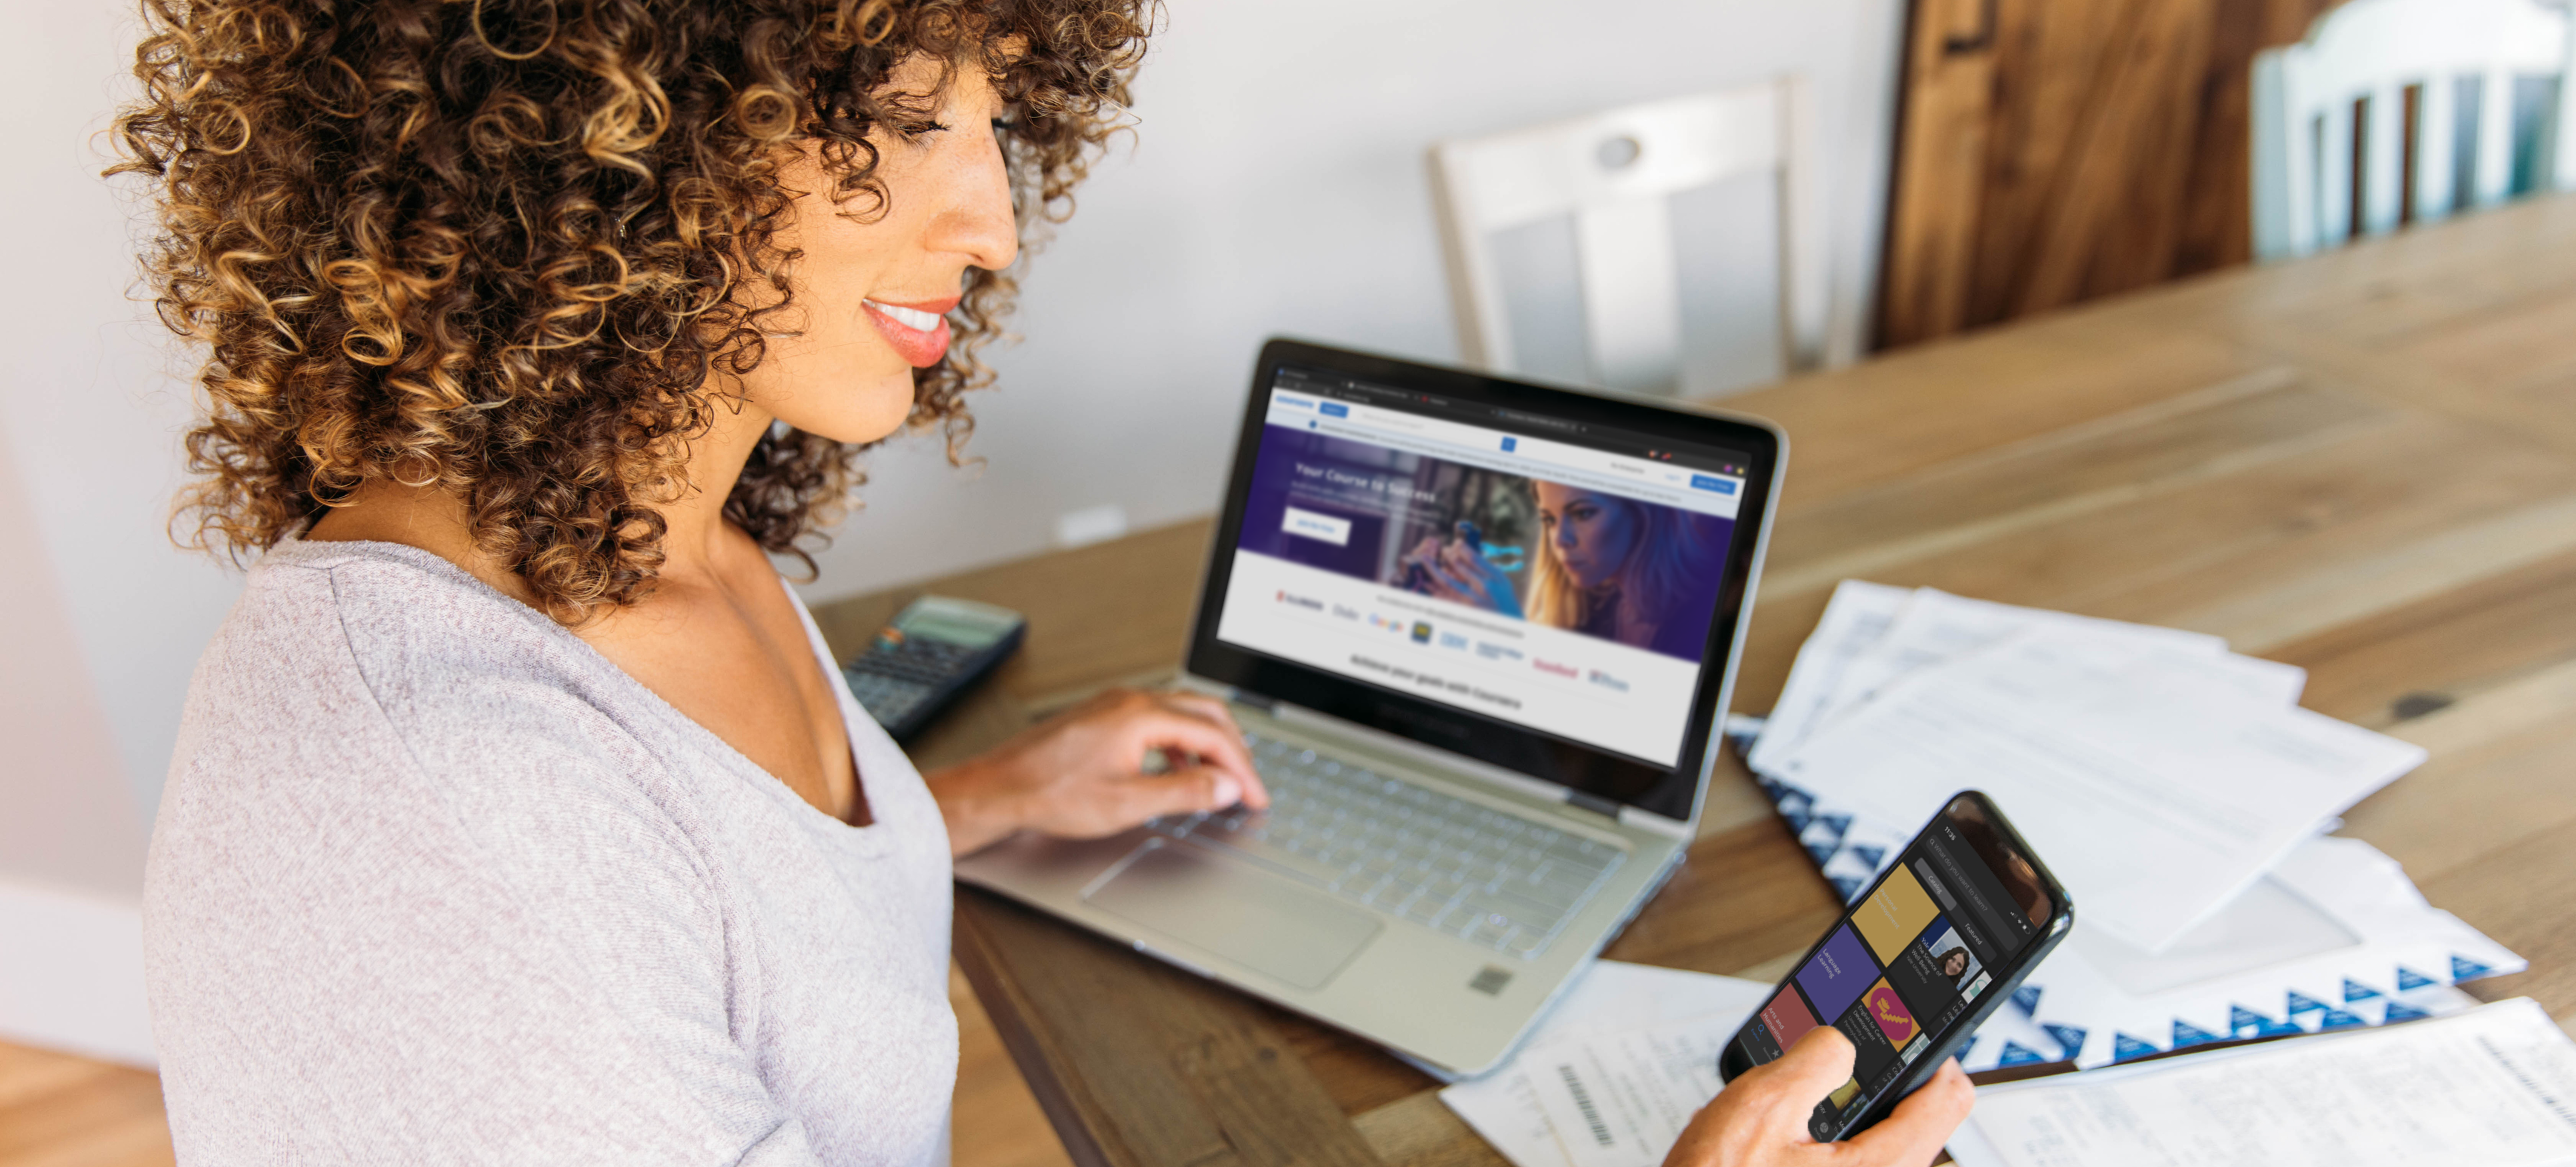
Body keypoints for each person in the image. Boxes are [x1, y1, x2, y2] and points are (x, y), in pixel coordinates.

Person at [115, 0, 1972, 1162]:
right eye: (913, 119)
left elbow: (702, 895)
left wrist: (966, 804)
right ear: (605, 129)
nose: (995, 222)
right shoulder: (435, 814)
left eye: (997, 122)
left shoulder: (650, 542)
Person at [1403, 481, 1715, 656]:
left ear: (1641, 513)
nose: (1559, 540)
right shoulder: (1593, 611)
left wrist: (1513, 632)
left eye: (1583, 513)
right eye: (1549, 520)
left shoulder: (1699, 622)